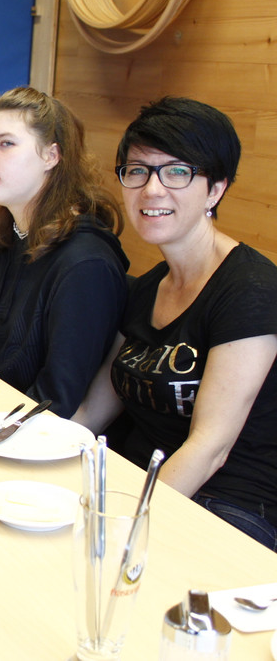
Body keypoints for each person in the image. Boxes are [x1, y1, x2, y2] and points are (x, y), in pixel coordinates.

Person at [73, 97, 277, 550]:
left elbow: (210, 448)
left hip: (228, 507)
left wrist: (124, 528)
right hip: (138, 484)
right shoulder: (148, 287)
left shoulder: (252, 289)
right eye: (138, 170)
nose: (152, 189)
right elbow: (93, 411)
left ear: (216, 189)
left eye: (177, 172)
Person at [0, 87, 128, 418]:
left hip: (27, 434)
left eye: (6, 144)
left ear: (51, 156)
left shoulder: (85, 264)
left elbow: (55, 402)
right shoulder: (8, 235)